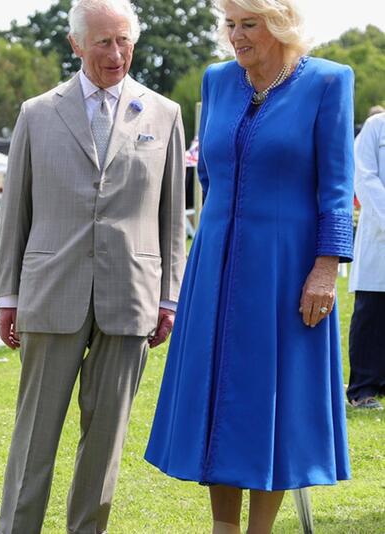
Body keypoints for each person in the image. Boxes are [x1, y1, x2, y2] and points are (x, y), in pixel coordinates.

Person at [144, 1, 354, 533]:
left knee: (275, 398)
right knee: (218, 392)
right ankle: (224, 528)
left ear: (279, 26)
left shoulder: (329, 82)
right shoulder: (217, 81)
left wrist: (326, 267)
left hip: (288, 269)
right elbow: (210, 175)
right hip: (216, 263)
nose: (236, 37)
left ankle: (260, 528)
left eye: (249, 25)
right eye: (230, 25)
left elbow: (335, 187)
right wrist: (220, 238)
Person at [0, 0, 186, 531]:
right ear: (76, 44)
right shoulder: (37, 112)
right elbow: (17, 211)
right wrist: (8, 296)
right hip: (50, 293)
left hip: (132, 297)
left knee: (105, 443)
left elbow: (173, 215)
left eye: (124, 40)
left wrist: (168, 295)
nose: (116, 52)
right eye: (103, 42)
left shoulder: (164, 113)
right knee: (33, 438)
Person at [346, 110, 385, 410]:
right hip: (379, 235)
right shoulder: (376, 127)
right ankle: (363, 389)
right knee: (372, 314)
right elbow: (364, 177)